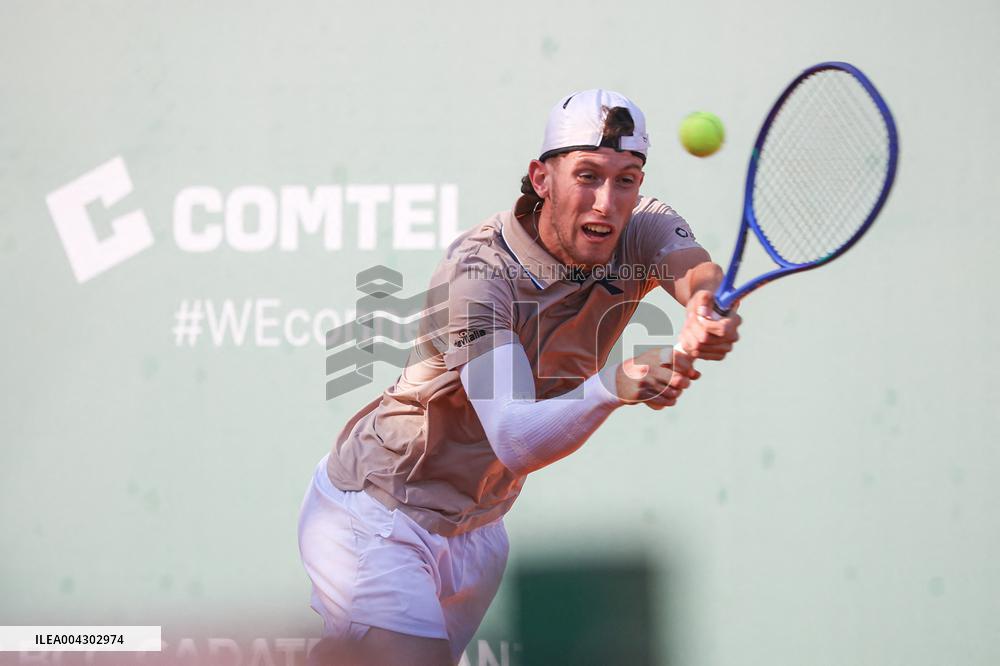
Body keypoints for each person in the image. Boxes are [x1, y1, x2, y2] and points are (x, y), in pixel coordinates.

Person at [298, 89, 742, 665]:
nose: (607, 202)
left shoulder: (640, 226)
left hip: (480, 528)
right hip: (378, 514)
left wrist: (705, 308)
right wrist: (615, 386)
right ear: (541, 178)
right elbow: (512, 437)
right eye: (587, 176)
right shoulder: (478, 272)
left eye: (626, 179)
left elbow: (695, 273)